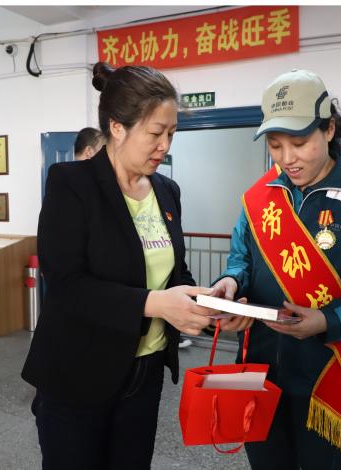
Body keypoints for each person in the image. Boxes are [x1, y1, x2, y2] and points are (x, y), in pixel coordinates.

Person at [211, 69, 341, 470]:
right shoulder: (260, 197)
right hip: (259, 370)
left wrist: (326, 320)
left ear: (329, 129)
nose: (287, 158)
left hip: (330, 374)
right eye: (275, 145)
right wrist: (230, 285)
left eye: (300, 143)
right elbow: (241, 260)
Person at [21, 62, 215, 470]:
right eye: (155, 133)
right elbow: (67, 285)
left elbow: (175, 274)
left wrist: (209, 304)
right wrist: (155, 304)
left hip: (145, 371)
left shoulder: (166, 191)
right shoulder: (71, 184)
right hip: (78, 372)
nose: (165, 145)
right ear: (117, 127)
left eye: (172, 134)